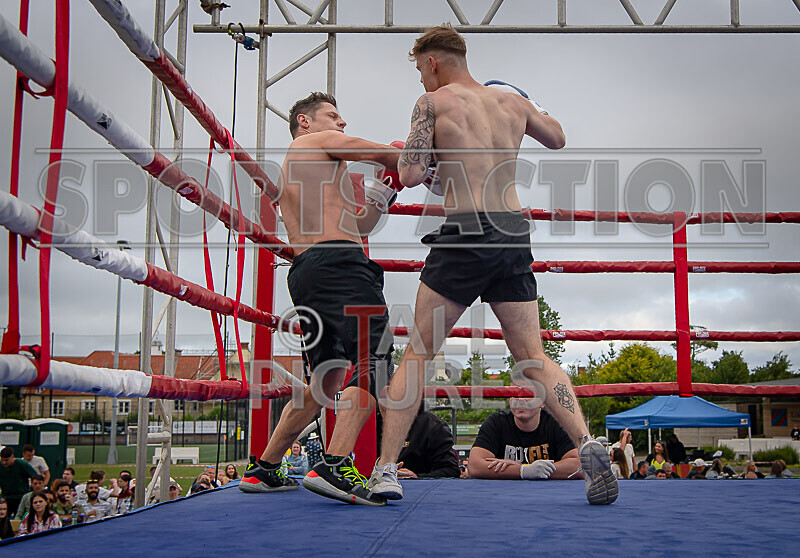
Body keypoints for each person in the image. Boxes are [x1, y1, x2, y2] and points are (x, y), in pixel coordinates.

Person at [367, 25, 617, 506]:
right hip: (511, 232)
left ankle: (384, 470)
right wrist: (527, 106)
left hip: (464, 231)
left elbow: (412, 173)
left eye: (420, 70)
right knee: (534, 357)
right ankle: (586, 440)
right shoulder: (511, 102)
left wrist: (431, 160)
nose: (421, 81)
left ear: (433, 62)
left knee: (418, 353)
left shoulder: (433, 103)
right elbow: (558, 139)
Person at [239, 91, 401, 507]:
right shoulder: (307, 142)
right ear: (304, 122)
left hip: (310, 271)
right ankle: (334, 463)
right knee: (376, 359)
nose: (342, 122)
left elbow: (358, 224)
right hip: (339, 266)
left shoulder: (317, 174)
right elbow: (373, 151)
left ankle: (265, 468)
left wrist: (383, 196)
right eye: (333, 115)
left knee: (326, 379)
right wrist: (411, 154)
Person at [467, 398, 580, 481]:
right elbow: (474, 466)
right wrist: (523, 471)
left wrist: (538, 471)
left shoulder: (557, 423)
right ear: (510, 400)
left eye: (528, 394)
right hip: (503, 495)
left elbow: (579, 466)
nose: (521, 399)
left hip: (547, 496)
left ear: (543, 401)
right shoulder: (496, 422)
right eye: (515, 394)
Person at [394, 401, 460, 479]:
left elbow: (451, 470)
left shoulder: (433, 426)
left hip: (415, 488)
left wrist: (416, 477)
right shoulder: (377, 421)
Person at [0, 446, 38, 517]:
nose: (4, 463)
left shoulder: (22, 464)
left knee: (20, 516)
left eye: (6, 460)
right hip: (6, 496)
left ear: (12, 457)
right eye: (2, 460)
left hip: (21, 496)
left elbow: (35, 477)